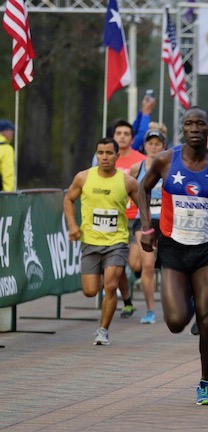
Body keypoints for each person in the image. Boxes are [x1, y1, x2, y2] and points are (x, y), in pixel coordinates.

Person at [138, 106, 208, 405]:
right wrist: (147, 226)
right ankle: (188, 295)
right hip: (173, 247)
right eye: (189, 124)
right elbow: (142, 188)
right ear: (183, 129)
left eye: (201, 124)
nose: (195, 129)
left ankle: (206, 383)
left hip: (207, 248)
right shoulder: (165, 160)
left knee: (206, 320)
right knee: (176, 322)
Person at [63, 138, 139, 345]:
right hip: (90, 241)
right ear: (96, 155)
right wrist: (72, 225)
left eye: (108, 153)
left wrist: (149, 230)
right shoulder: (83, 177)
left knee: (111, 285)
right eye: (100, 153)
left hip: (117, 241)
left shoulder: (127, 182)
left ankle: (103, 330)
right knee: (90, 291)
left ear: (117, 156)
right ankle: (106, 315)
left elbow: (145, 204)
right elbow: (68, 199)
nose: (104, 157)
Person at [129, 130, 167, 324]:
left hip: (166, 221)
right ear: (144, 146)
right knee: (147, 265)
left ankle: (173, 305)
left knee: (168, 266)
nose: (153, 147)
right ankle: (150, 310)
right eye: (150, 143)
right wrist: (139, 206)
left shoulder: (170, 167)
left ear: (163, 146)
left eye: (157, 143)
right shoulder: (137, 168)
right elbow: (130, 188)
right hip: (144, 220)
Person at [111, 120, 146, 319]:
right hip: (114, 218)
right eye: (119, 133)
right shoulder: (106, 159)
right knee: (118, 265)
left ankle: (142, 275)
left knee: (134, 264)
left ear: (132, 139)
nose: (122, 136)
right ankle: (127, 301)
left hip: (135, 218)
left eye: (126, 133)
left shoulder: (140, 160)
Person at [0, 119, 16, 191]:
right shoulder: (6, 149)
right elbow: (8, 174)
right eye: (11, 130)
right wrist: (9, 194)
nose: (12, 133)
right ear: (4, 132)